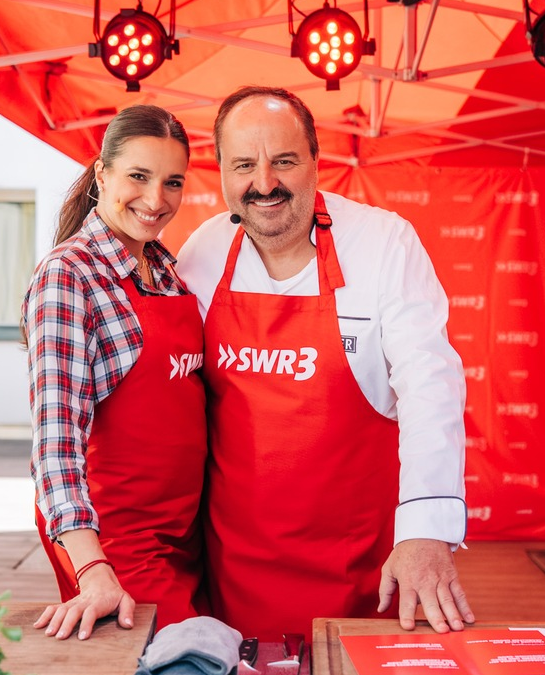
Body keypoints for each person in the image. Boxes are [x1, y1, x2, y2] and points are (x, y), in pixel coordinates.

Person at [175, 86, 473, 639]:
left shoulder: (384, 243)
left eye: (283, 161)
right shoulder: (201, 253)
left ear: (317, 160)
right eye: (244, 165)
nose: (264, 183)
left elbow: (430, 385)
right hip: (233, 572)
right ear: (219, 171)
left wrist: (426, 532)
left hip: (361, 572)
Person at [22, 104, 206, 641]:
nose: (156, 200)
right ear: (102, 174)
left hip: (185, 535)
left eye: (172, 182)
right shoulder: (69, 276)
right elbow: (55, 445)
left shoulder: (168, 272)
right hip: (116, 540)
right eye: (139, 177)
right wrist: (92, 568)